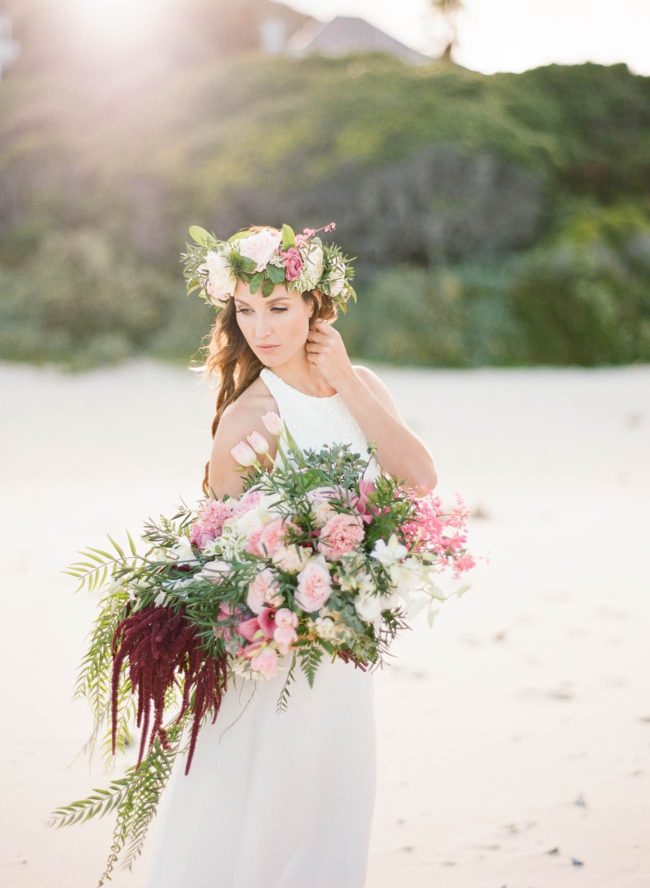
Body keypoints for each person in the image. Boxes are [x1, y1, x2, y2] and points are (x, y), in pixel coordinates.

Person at [147, 223, 437, 888]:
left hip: (344, 656)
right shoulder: (249, 418)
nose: (262, 328)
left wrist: (344, 379)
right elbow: (214, 562)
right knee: (261, 831)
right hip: (272, 666)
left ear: (315, 303)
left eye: (277, 306)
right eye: (245, 311)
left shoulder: (360, 385)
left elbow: (419, 480)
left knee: (334, 818)